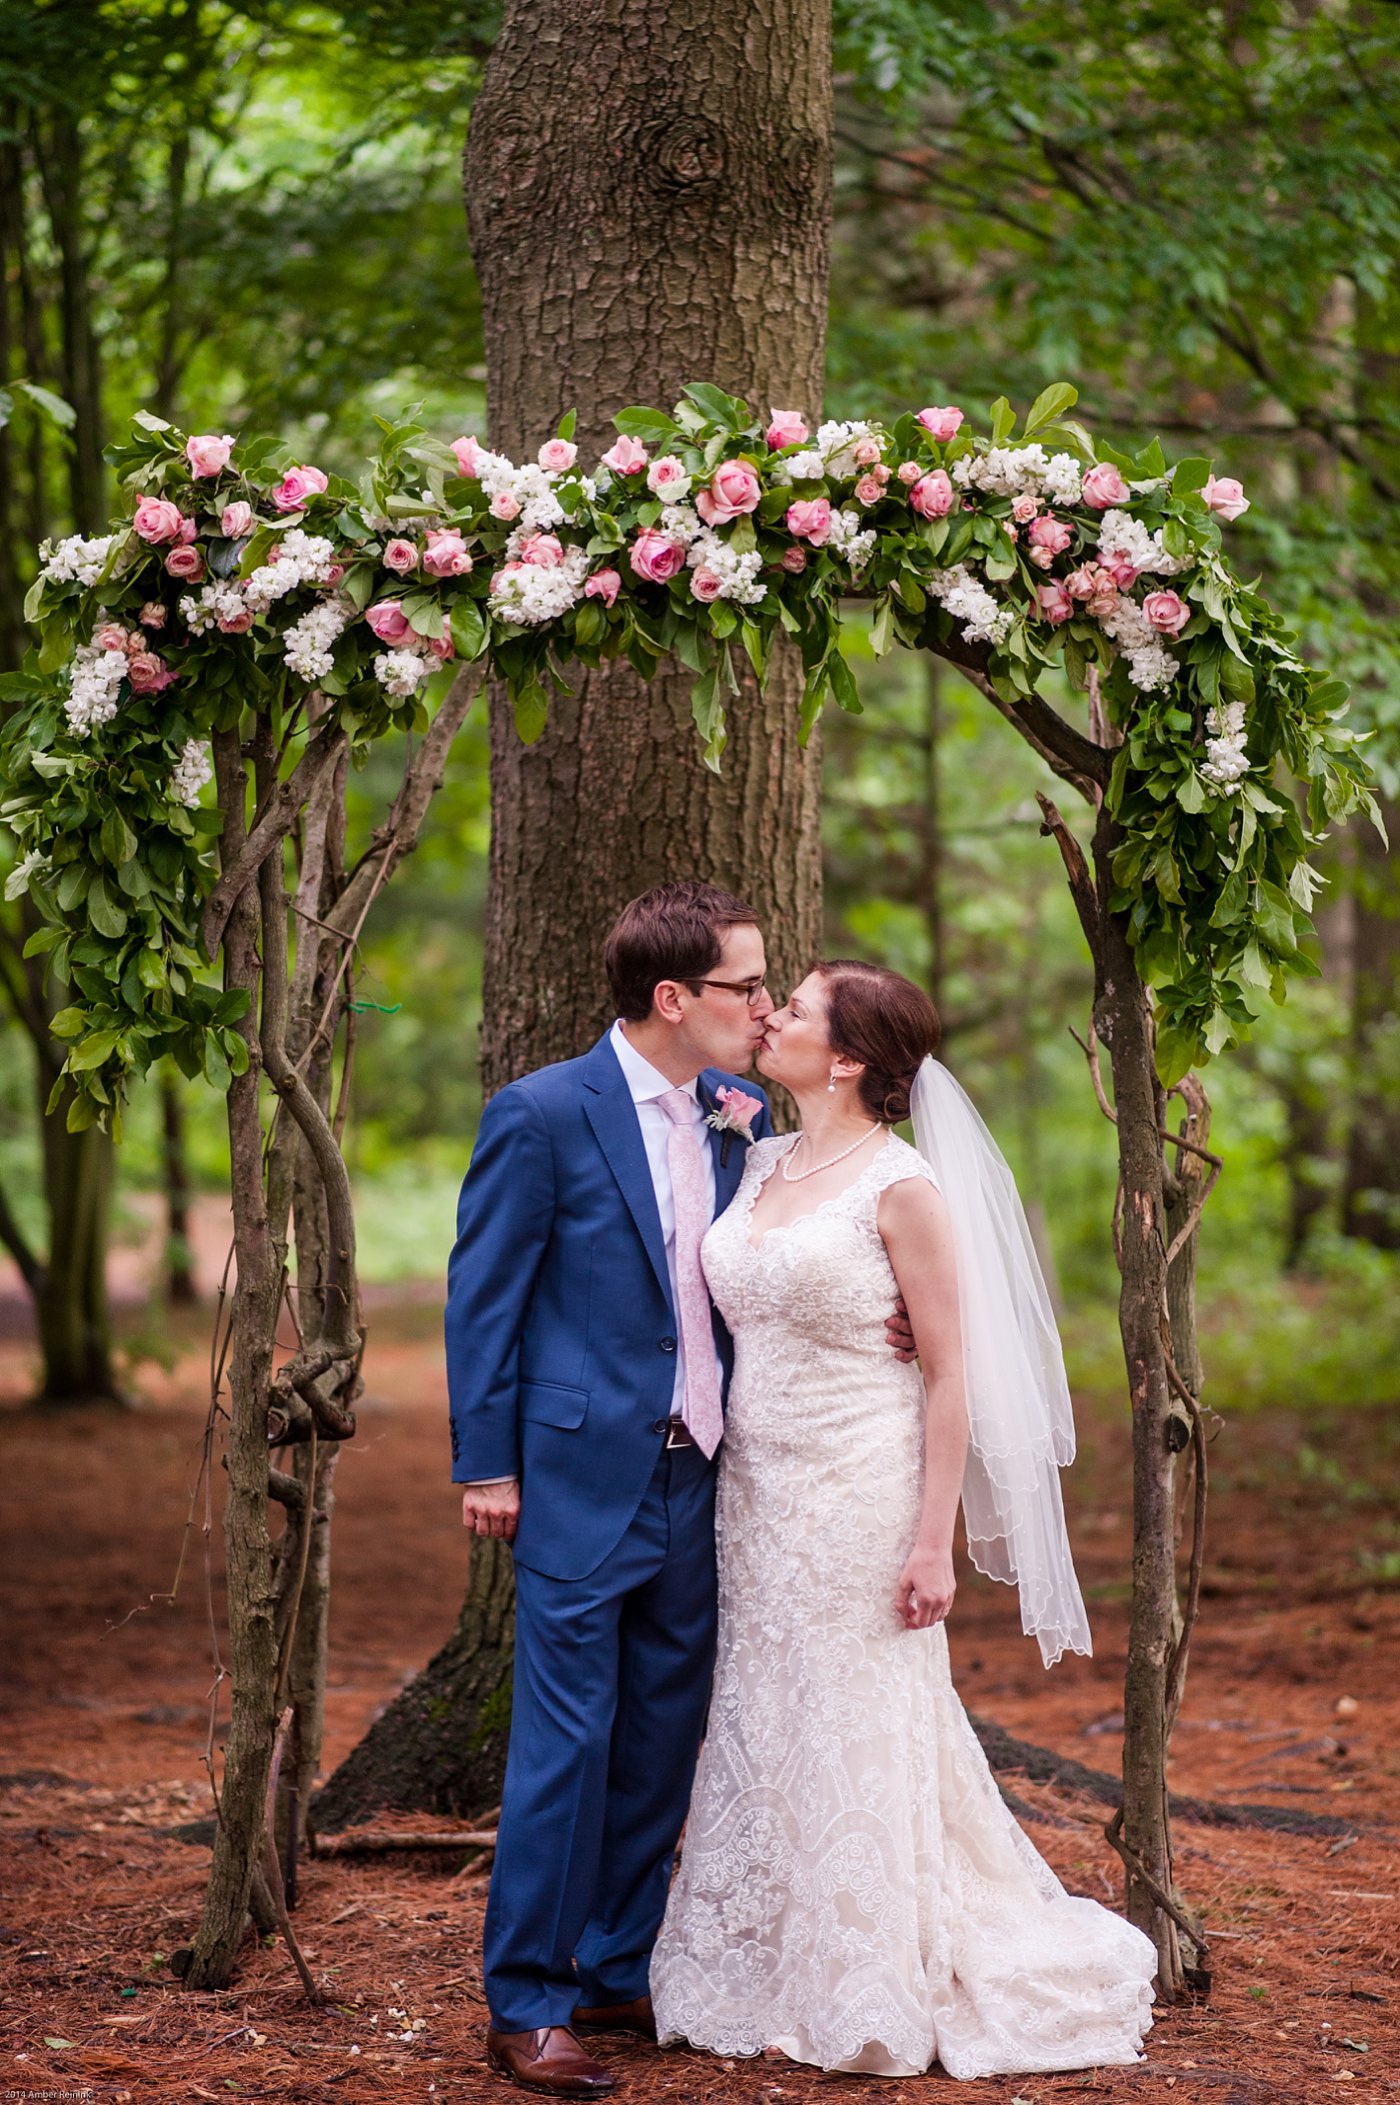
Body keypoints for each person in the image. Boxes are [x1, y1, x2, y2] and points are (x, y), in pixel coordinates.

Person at [649, 959, 1159, 2081]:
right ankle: (775, 1954)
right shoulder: (760, 1153)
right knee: (766, 1706)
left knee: (858, 1710)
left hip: (862, 1487)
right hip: (755, 1490)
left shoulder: (902, 1187)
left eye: (796, 1006)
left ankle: (868, 1968)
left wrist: (931, 1539)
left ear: (843, 1059)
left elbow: (945, 1377)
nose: (770, 1011)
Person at [445, 886, 915, 2097]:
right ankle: (529, 1996)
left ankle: (610, 1960)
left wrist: (887, 1316)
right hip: (573, 1476)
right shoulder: (542, 1112)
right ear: (673, 999)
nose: (761, 1009)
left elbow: (787, 1256)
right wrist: (486, 1463)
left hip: (705, 1481)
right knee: (567, 1739)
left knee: (660, 1740)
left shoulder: (740, 1115)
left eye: (767, 991)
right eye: (743, 987)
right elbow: (481, 1298)